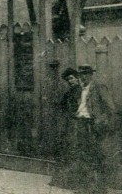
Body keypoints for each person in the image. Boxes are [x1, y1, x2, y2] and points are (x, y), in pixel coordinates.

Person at [72, 64, 115, 194]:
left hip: (93, 126)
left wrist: (99, 122)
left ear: (91, 75)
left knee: (96, 157)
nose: (82, 77)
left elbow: (110, 108)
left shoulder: (99, 87)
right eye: (80, 75)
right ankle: (85, 188)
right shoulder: (80, 89)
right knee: (83, 156)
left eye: (85, 74)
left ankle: (99, 189)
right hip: (81, 124)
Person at [50, 67, 82, 189]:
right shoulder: (69, 92)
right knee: (67, 150)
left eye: (71, 78)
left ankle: (75, 182)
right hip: (69, 124)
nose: (70, 81)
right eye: (68, 80)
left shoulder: (81, 91)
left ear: (77, 78)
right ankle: (64, 181)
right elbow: (62, 106)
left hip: (79, 124)